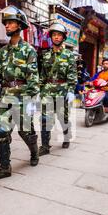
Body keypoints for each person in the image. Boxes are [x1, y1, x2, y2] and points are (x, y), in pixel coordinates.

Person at [0, 6, 40, 182]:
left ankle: (34, 152)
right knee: (0, 131)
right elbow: (1, 76)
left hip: (23, 96)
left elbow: (33, 76)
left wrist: (31, 99)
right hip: (5, 97)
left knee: (25, 131)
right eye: (6, 23)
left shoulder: (29, 50)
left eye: (11, 22)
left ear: (20, 25)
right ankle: (4, 167)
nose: (7, 26)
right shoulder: (2, 52)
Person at [38, 23, 77, 156]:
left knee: (63, 118)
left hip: (63, 90)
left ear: (63, 38)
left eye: (59, 35)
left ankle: (67, 136)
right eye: (54, 35)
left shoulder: (69, 55)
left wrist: (71, 90)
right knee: (45, 119)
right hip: (48, 90)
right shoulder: (45, 55)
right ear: (51, 37)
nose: (56, 37)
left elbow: (72, 73)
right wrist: (39, 90)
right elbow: (42, 74)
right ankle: (44, 145)